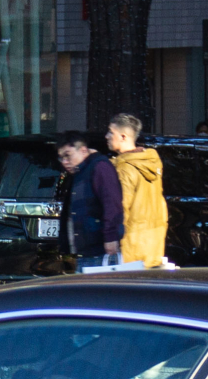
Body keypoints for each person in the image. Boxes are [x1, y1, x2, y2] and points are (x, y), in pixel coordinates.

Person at [106, 114, 168, 264]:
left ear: (123, 136)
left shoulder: (125, 169)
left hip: (130, 248)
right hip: (152, 245)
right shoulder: (150, 163)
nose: (106, 136)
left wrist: (111, 238)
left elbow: (120, 209)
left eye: (110, 132)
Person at [57, 131, 124, 269]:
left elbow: (112, 203)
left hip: (100, 251)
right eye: (61, 158)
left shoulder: (99, 167)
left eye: (68, 155)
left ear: (83, 150)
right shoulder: (80, 171)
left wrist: (111, 237)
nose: (64, 162)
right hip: (87, 252)